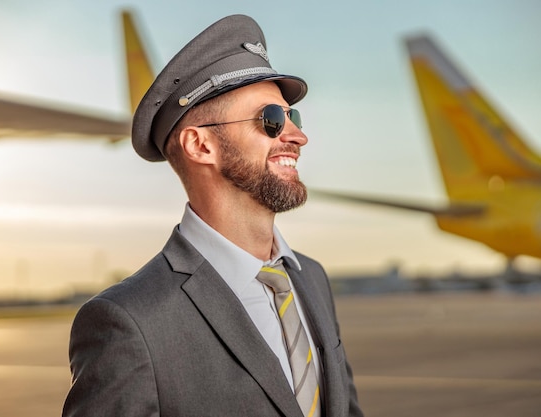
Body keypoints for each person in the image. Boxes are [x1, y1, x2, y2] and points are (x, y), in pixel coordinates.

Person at [62, 14, 364, 417]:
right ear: (201, 146)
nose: (297, 136)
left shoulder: (312, 279)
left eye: (295, 118)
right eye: (272, 120)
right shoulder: (129, 322)